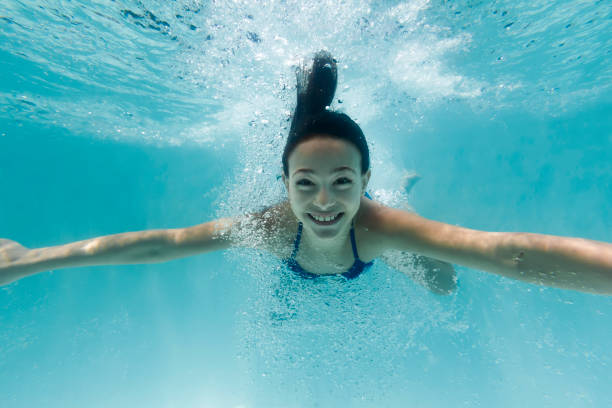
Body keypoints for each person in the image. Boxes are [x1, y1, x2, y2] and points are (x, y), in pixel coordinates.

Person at [1, 51, 611, 295]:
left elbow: (506, 253)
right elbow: (164, 243)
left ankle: (406, 195)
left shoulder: (377, 227)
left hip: (375, 248)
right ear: (284, 185)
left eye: (344, 181)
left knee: (445, 284)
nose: (322, 201)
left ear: (364, 180)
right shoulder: (268, 228)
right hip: (302, 263)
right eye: (305, 184)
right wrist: (31, 260)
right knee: (292, 293)